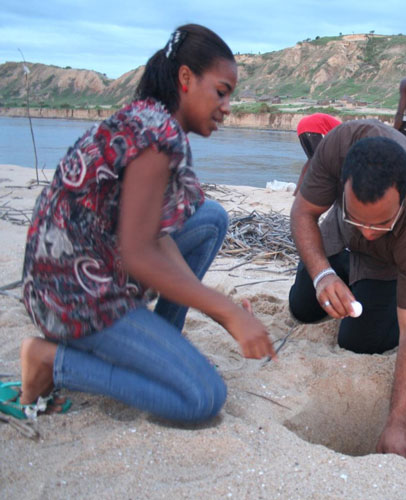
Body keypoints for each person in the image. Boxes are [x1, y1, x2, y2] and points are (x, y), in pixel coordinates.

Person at [18, 24, 276, 422]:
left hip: (76, 269)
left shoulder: (150, 118)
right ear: (186, 78)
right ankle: (50, 361)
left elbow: (158, 236)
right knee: (202, 398)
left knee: (210, 219)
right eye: (221, 92)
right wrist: (227, 311)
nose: (227, 107)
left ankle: (162, 344)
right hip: (75, 297)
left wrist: (214, 306)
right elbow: (138, 254)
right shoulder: (156, 137)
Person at [288, 119, 406, 460]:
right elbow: (303, 211)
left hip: (391, 262)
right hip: (340, 237)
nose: (369, 232)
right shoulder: (339, 144)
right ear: (343, 181)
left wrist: (398, 423)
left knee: (358, 342)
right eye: (360, 217)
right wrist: (322, 276)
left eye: (380, 222)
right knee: (302, 306)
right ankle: (347, 256)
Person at [294, 113, 342, 195]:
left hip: (301, 127)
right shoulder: (347, 133)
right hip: (315, 127)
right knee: (324, 162)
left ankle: (297, 191)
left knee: (311, 160)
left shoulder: (344, 129)